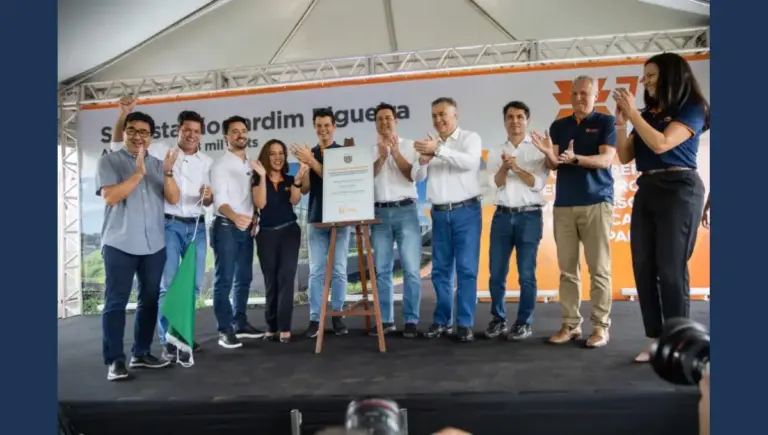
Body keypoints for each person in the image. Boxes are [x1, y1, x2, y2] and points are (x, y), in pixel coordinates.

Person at [612, 52, 709, 362]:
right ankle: (655, 339)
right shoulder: (648, 114)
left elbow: (662, 143)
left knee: (670, 268)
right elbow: (625, 156)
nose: (645, 81)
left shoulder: (692, 107)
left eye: (651, 75)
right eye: (645, 75)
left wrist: (634, 115)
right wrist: (621, 123)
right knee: (643, 266)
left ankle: (679, 343)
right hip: (648, 188)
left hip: (680, 188)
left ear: (671, 76)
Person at [109, 99, 213, 360]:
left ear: (201, 134)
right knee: (168, 285)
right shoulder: (159, 151)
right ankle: (168, 341)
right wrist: (123, 116)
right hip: (168, 224)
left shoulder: (208, 162)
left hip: (197, 227)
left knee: (193, 286)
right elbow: (117, 145)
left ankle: (182, 334)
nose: (191, 135)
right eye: (186, 129)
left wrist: (209, 196)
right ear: (178, 130)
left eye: (196, 131)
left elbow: (210, 200)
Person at [531, 75, 617, 349]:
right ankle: (570, 325)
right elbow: (555, 164)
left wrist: (576, 158)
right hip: (564, 205)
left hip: (597, 202)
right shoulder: (559, 125)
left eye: (585, 93)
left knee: (599, 269)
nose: (579, 98)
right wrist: (548, 153)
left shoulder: (605, 122)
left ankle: (600, 327)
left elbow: (606, 160)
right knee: (567, 270)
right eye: (575, 93)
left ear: (595, 95)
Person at [96, 111, 180, 381]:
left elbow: (173, 198)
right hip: (119, 243)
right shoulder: (109, 161)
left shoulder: (158, 164)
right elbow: (110, 197)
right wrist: (137, 174)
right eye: (132, 130)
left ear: (151, 137)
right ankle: (115, 361)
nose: (137, 136)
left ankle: (141, 353)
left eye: (144, 132)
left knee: (150, 299)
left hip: (153, 244)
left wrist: (167, 172)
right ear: (124, 133)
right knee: (116, 301)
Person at [414, 97, 483, 343]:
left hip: (467, 211)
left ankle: (465, 323)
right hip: (440, 213)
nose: (438, 119)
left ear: (456, 115)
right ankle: (442, 320)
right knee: (441, 270)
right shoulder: (430, 143)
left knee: (466, 269)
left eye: (443, 114)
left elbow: (470, 163)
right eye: (434, 116)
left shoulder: (469, 139)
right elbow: (418, 177)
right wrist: (423, 161)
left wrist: (438, 150)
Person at [485, 101, 549, 341]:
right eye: (510, 117)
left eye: (520, 117)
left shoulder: (537, 149)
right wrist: (504, 167)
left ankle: (524, 322)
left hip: (529, 216)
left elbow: (538, 184)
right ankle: (498, 319)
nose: (515, 121)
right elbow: (495, 183)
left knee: (526, 275)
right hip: (502, 216)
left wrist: (517, 168)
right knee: (496, 273)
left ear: (527, 121)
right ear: (504, 121)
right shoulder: (495, 151)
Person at [290, 108, 350, 338]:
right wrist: (304, 168)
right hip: (316, 218)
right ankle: (315, 318)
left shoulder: (342, 153)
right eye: (319, 125)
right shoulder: (310, 153)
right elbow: (305, 189)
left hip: (341, 218)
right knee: (316, 271)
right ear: (314, 127)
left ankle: (338, 315)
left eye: (327, 125)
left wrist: (311, 161)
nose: (323, 129)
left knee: (339, 269)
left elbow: (335, 179)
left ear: (334, 127)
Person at [370, 103, 428, 338]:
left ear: (396, 121)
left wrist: (394, 154)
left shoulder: (410, 146)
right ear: (376, 124)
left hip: (406, 211)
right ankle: (385, 320)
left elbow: (415, 177)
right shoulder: (370, 150)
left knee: (412, 269)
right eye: (380, 119)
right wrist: (381, 158)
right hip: (379, 213)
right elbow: (364, 180)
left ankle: (411, 320)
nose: (384, 122)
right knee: (382, 270)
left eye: (388, 118)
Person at [209, 115, 264, 349]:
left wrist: (254, 218)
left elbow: (253, 197)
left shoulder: (251, 164)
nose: (240, 135)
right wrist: (236, 218)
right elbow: (219, 201)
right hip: (226, 227)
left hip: (246, 228)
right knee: (224, 280)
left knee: (244, 278)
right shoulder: (219, 165)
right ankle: (224, 329)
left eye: (243, 130)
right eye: (235, 131)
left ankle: (240, 323)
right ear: (226, 137)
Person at [251, 139, 308, 343]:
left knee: (286, 277)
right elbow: (260, 203)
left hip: (289, 232)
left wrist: (298, 180)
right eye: (273, 153)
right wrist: (262, 176)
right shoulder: (257, 178)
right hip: (266, 235)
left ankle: (284, 327)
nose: (277, 157)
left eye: (281, 153)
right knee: (271, 280)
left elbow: (295, 200)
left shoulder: (289, 179)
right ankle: (271, 326)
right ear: (266, 157)